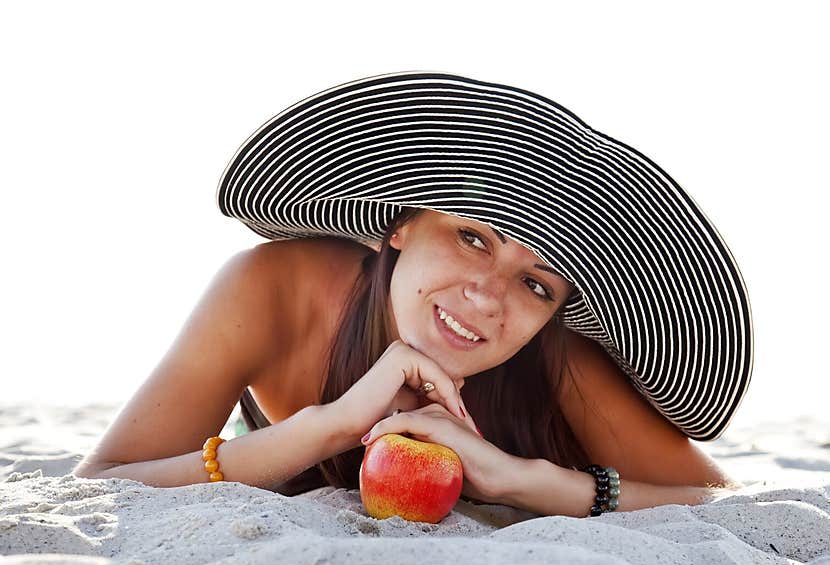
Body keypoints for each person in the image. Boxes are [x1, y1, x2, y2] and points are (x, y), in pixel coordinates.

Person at [74, 71, 753, 518]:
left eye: (535, 283)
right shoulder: (272, 289)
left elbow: (726, 504)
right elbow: (103, 484)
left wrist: (516, 479)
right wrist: (329, 424)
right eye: (474, 239)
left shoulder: (558, 359)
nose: (488, 299)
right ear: (400, 225)